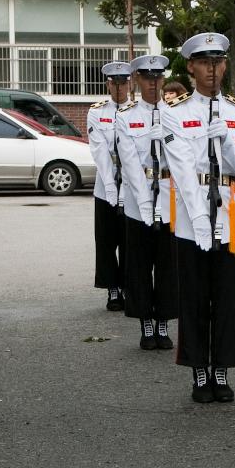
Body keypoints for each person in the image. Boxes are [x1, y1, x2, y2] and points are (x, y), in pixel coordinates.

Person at [161, 32, 235, 403]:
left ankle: (222, 369)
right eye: (204, 62)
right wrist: (199, 220)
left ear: (225, 65)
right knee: (195, 298)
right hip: (190, 218)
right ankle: (200, 371)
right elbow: (182, 170)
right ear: (191, 67)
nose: (211, 69)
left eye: (217, 62)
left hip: (229, 220)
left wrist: (228, 142)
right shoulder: (175, 113)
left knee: (228, 299)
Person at [115, 54, 178, 351]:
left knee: (167, 265)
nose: (153, 84)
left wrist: (166, 139)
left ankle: (163, 320)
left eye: (158, 78)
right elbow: (128, 164)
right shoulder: (126, 117)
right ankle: (146, 323)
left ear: (162, 80)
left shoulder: (175, 115)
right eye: (147, 78)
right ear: (137, 81)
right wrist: (144, 208)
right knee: (139, 266)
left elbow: (184, 159)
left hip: (170, 198)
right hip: (138, 199)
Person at [87, 61, 133, 310]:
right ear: (107, 84)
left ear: (129, 84)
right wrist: (111, 188)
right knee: (106, 241)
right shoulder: (97, 112)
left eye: (123, 82)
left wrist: (126, 188)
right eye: (114, 83)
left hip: (132, 186)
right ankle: (112, 288)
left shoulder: (136, 111)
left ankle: (128, 285)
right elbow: (99, 152)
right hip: (105, 186)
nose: (119, 87)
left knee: (129, 240)